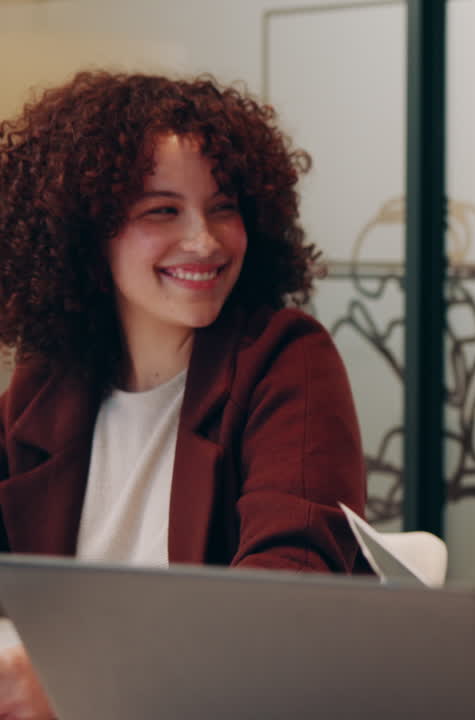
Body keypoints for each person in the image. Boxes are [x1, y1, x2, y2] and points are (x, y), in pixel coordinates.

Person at [0, 71, 367, 718]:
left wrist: (76, 673)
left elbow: (291, 591)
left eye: (224, 206)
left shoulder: (285, 358)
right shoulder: (48, 379)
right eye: (162, 210)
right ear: (86, 233)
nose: (204, 239)